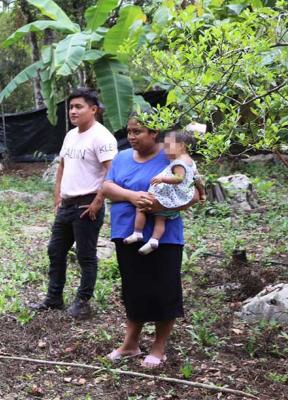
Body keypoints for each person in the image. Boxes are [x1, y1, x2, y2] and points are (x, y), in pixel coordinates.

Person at [102, 116, 200, 369]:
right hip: (126, 231)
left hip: (164, 236)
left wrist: (161, 204)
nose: (132, 136)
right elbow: (107, 187)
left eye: (138, 131)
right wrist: (133, 196)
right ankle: (131, 344)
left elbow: (197, 194)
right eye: (129, 131)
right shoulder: (122, 157)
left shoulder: (172, 155)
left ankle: (159, 347)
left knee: (163, 289)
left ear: (155, 132)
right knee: (133, 289)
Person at [30, 88, 118, 319]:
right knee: (55, 251)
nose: (73, 111)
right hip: (67, 205)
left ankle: (82, 301)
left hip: (87, 204)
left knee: (85, 255)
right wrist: (57, 195)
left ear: (94, 110)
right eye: (71, 107)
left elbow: (112, 172)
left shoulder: (102, 137)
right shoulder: (71, 135)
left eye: (78, 107)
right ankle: (54, 297)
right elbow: (62, 166)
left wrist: (99, 200)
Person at [124, 130, 203, 254]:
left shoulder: (178, 163)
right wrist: (202, 192)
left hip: (169, 196)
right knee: (160, 219)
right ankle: (154, 241)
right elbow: (198, 179)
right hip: (179, 198)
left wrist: (162, 179)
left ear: (181, 146)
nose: (165, 150)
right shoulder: (191, 162)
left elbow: (178, 178)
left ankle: (137, 232)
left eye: (167, 146)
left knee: (140, 207)